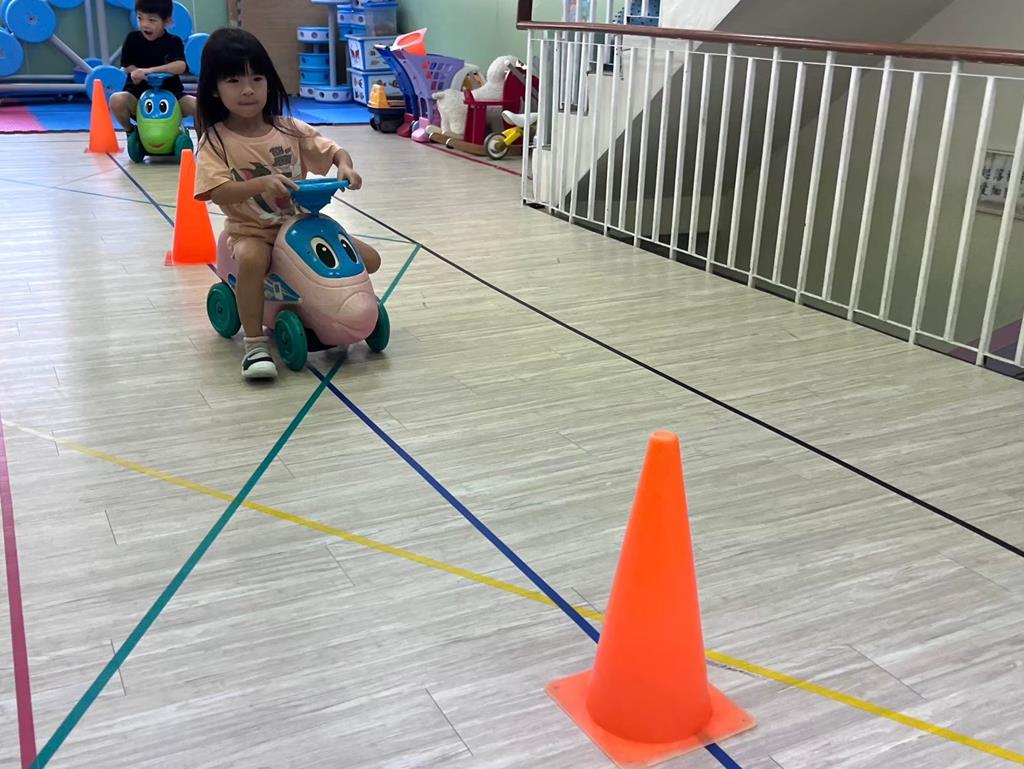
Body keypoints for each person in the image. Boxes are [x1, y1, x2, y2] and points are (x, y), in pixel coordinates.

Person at [194, 27, 380, 381]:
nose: (248, 89)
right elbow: (217, 191)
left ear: (269, 81)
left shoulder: (289, 129)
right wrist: (259, 184)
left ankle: (345, 309)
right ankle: (254, 343)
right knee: (253, 259)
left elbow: (332, 150)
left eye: (257, 78)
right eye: (234, 80)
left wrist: (345, 166)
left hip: (300, 226)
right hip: (253, 230)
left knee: (368, 258)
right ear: (215, 89)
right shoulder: (216, 141)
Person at [110, 0, 197, 134]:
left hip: (172, 97)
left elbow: (180, 65)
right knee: (116, 100)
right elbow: (127, 65)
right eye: (140, 18)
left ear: (167, 22)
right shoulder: (132, 39)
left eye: (152, 20)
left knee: (199, 107)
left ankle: (204, 140)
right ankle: (130, 131)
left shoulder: (174, 41)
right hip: (138, 98)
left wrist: (149, 71)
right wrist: (135, 73)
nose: (144, 24)